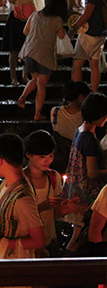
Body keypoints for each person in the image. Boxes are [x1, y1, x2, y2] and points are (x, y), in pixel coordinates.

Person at [0, 134, 45, 288]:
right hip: (2, 263)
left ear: (0, 160)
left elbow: (39, 239)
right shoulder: (6, 186)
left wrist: (4, 244)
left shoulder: (22, 197)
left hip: (15, 269)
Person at [63, 92, 107, 251]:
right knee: (78, 236)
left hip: (75, 189)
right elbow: (92, 173)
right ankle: (68, 265)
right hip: (85, 196)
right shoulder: (89, 140)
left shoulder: (79, 130)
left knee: (77, 234)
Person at [18, 0, 69, 120]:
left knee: (35, 80)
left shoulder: (35, 14)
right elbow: (62, 36)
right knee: (42, 85)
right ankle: (37, 114)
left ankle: (23, 97)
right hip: (44, 55)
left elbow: (25, 31)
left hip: (30, 52)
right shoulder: (57, 20)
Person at [69, 0, 107, 91]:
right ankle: (94, 91)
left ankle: (77, 92)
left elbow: (87, 14)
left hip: (89, 33)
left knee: (77, 64)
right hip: (101, 33)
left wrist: (74, 27)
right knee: (94, 64)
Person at [3, 0, 36, 85]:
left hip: (29, 17)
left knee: (27, 48)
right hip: (16, 17)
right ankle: (13, 76)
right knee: (14, 49)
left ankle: (24, 75)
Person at [50, 81, 89, 173]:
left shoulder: (55, 111)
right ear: (81, 97)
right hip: (79, 158)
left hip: (60, 156)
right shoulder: (85, 116)